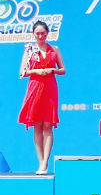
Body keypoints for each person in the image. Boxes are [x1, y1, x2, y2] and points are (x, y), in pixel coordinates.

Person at [18, 21, 66, 174]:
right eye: (37, 33)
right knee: (37, 126)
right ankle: (41, 163)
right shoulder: (29, 50)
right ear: (33, 34)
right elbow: (22, 72)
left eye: (43, 33)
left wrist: (53, 70)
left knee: (48, 126)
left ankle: (46, 162)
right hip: (35, 87)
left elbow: (63, 69)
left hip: (50, 88)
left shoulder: (54, 49)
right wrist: (37, 72)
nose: (40, 36)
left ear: (47, 34)